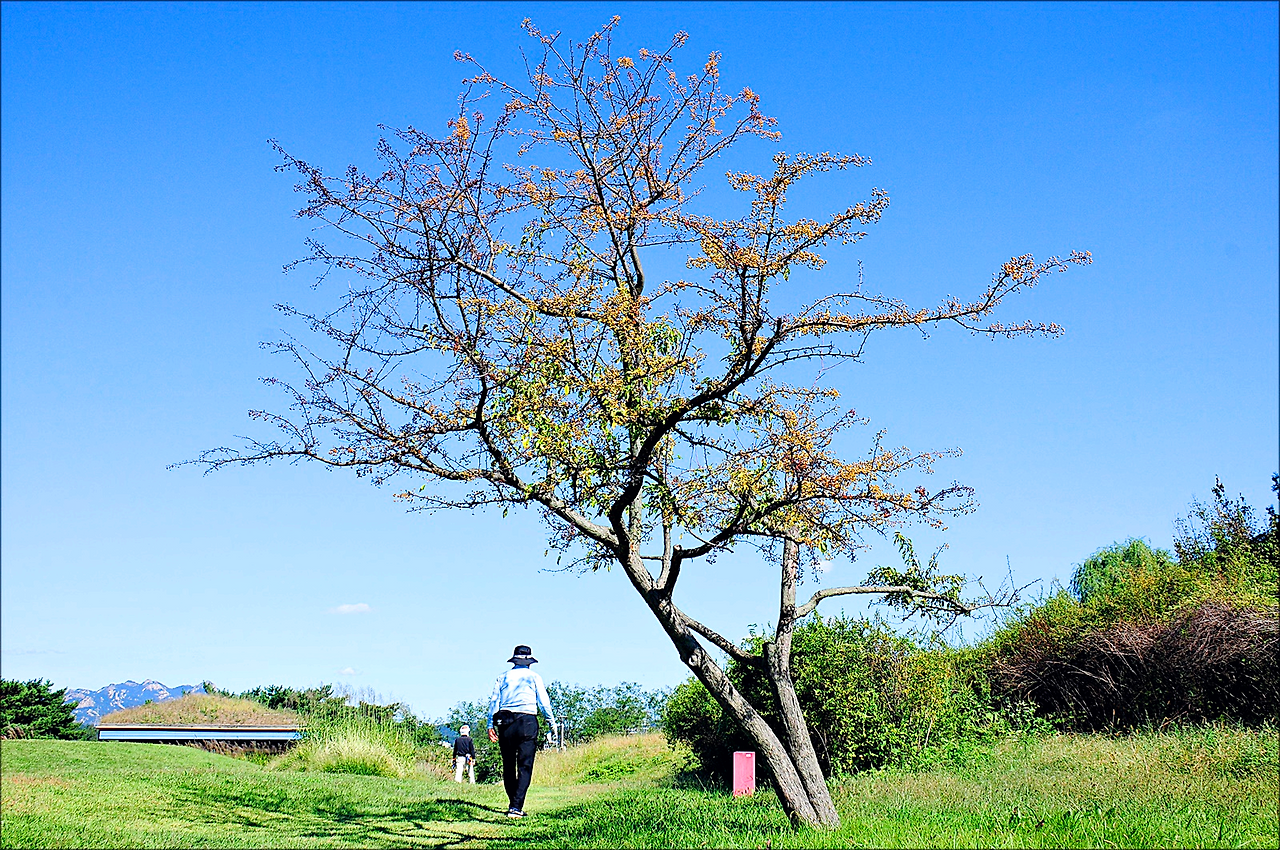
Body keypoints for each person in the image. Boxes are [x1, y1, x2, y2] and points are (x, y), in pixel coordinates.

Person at [487, 644, 556, 819]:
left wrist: (490, 725)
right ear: (530, 662)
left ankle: (514, 804)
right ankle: (516, 806)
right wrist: (551, 723)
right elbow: (544, 703)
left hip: (506, 721)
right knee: (525, 765)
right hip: (527, 720)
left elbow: (494, 702)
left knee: (508, 764)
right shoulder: (534, 677)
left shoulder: (502, 677)